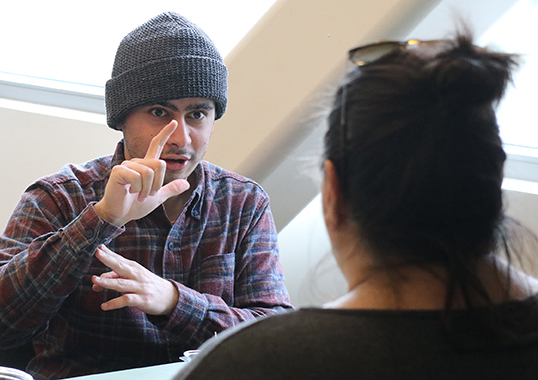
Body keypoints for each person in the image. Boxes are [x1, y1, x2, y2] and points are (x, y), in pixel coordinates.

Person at [173, 29, 538, 379]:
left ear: (333, 192)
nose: (178, 135)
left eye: (197, 114)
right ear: (493, 181)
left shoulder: (252, 363)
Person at [0, 12, 292, 380]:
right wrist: (101, 219)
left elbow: (276, 336)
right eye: (159, 112)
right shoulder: (60, 197)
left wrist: (174, 301)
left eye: (198, 114)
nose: (181, 138)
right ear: (122, 118)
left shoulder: (242, 203)